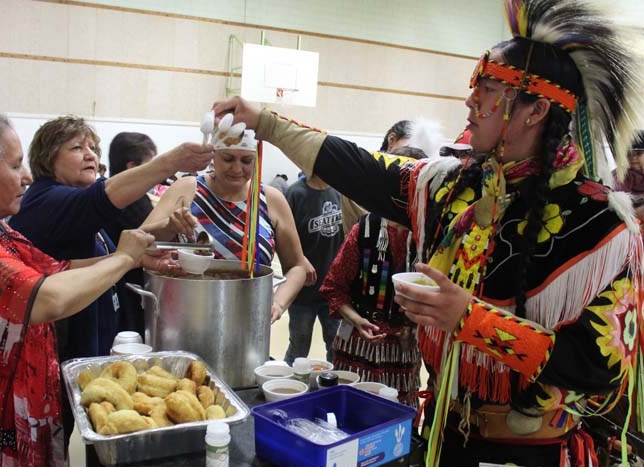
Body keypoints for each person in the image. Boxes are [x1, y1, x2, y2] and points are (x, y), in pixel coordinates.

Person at [212, 0, 644, 463]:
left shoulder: (602, 227)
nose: (470, 101)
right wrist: (267, 124)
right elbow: (361, 169)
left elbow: (600, 367)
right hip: (442, 434)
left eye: (488, 88)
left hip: (532, 451)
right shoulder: (449, 185)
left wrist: (471, 320)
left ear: (535, 110)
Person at [0, 108, 167, 465]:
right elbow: (44, 298)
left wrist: (133, 258)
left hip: (22, 413)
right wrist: (123, 259)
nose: (26, 176)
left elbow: (56, 271)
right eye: (15, 166)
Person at [7, 115, 212, 448]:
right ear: (48, 159)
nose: (91, 154)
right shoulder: (46, 200)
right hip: (49, 361)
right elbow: (100, 199)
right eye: (77, 147)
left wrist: (135, 257)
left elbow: (65, 266)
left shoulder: (71, 204)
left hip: (81, 357)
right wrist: (172, 162)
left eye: (92, 147)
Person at [143, 128, 309, 323]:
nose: (237, 169)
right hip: (187, 316)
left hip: (249, 319)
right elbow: (141, 243)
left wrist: (278, 303)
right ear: (213, 156)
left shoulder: (271, 200)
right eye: (228, 159)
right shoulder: (188, 189)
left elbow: (297, 266)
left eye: (246, 161)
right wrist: (170, 226)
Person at [320, 212, 421, 405]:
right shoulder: (366, 230)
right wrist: (357, 321)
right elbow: (334, 287)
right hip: (358, 344)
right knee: (351, 410)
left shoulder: (428, 234)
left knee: (397, 418)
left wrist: (415, 326)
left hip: (405, 350)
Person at [284, 173, 344, 365]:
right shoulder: (295, 193)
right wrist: (300, 259)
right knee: (299, 348)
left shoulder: (340, 191)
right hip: (303, 292)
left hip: (333, 291)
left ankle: (333, 390)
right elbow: (282, 238)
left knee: (337, 347)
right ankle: (288, 390)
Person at [104, 132, 159, 336]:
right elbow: (153, 239)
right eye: (151, 166)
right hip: (129, 288)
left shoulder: (107, 196)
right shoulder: (133, 201)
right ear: (132, 167)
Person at [613, 130, 644, 222]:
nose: (633, 158)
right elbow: (617, 205)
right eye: (629, 154)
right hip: (631, 223)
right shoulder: (621, 176)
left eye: (638, 153)